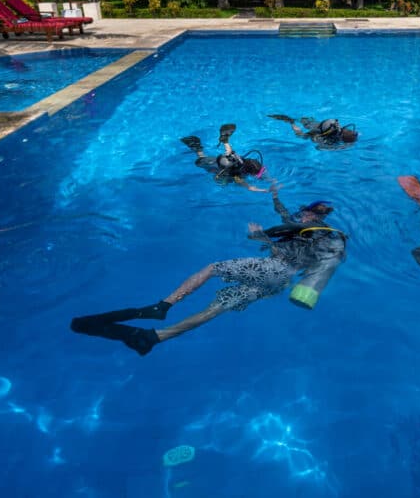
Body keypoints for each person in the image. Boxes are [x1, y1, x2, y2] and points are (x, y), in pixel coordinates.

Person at [69, 188, 347, 356]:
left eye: (308, 213)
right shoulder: (315, 235)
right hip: (280, 283)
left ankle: (162, 307)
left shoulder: (309, 229)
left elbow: (283, 242)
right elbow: (286, 224)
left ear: (311, 216)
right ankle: (155, 337)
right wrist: (274, 197)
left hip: (275, 270)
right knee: (219, 306)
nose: (303, 216)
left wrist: (259, 236)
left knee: (214, 268)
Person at [181, 123, 268, 191]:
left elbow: (230, 152)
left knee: (203, 161)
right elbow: (249, 187)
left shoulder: (241, 164)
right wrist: (265, 187)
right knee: (201, 161)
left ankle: (199, 148)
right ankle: (198, 147)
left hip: (220, 164)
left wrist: (226, 142)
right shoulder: (240, 173)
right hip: (215, 165)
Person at [268, 114, 358, 147]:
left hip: (318, 127)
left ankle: (292, 121)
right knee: (302, 133)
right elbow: (319, 147)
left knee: (305, 122)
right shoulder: (318, 136)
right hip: (316, 129)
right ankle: (291, 122)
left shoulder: (337, 131)